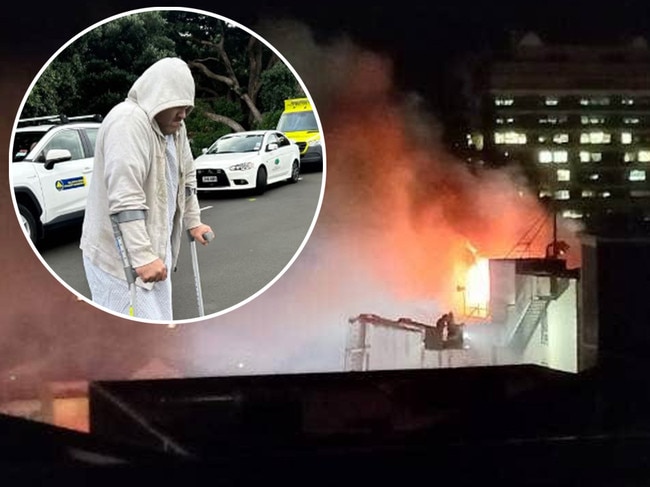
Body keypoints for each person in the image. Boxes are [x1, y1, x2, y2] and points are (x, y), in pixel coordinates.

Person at [80, 57, 213, 321]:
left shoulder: (175, 128)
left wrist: (193, 221)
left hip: (154, 251)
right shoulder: (127, 123)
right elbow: (125, 199)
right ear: (159, 97)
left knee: (158, 325)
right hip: (120, 260)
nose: (183, 114)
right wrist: (141, 257)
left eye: (188, 107)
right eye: (178, 106)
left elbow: (187, 177)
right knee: (125, 335)